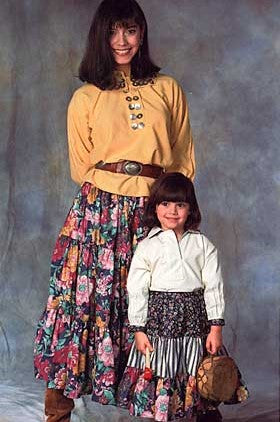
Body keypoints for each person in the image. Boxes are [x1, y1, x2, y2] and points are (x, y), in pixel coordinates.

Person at [33, 0, 195, 421]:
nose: (122, 42)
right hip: (99, 210)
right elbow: (80, 165)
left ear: (142, 34)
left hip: (154, 206)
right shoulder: (85, 97)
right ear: (100, 38)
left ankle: (182, 401)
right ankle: (59, 404)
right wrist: (113, 193)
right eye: (113, 32)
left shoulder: (168, 88)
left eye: (130, 30)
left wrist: (168, 209)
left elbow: (181, 160)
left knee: (160, 300)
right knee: (83, 300)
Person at [117, 172, 248, 422]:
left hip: (195, 321)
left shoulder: (202, 245)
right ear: (155, 208)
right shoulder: (148, 246)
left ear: (191, 209)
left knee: (197, 367)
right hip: (159, 323)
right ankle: (164, 413)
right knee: (162, 368)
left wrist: (215, 327)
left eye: (180, 204)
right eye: (165, 204)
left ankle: (203, 412)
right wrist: (138, 329)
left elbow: (214, 287)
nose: (172, 211)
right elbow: (137, 289)